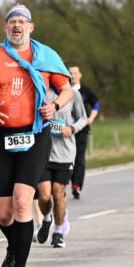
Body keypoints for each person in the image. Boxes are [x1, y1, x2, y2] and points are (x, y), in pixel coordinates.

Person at [0, 4, 73, 267]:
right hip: (1, 136)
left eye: (22, 22)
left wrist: (55, 105)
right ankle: (13, 250)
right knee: (4, 214)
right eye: (12, 21)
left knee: (23, 202)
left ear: (31, 28)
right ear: (5, 28)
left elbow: (67, 89)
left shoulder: (46, 57)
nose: (17, 26)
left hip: (34, 136)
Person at [36, 80, 87, 248]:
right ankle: (47, 218)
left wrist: (71, 129)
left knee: (58, 193)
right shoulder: (43, 92)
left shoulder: (73, 94)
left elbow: (83, 118)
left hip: (65, 153)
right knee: (44, 196)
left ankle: (58, 233)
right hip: (43, 153)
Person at [67, 66, 99, 200]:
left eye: (75, 73)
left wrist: (90, 119)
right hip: (66, 129)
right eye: (70, 73)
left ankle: (77, 185)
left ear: (80, 75)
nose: (73, 75)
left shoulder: (85, 91)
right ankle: (63, 183)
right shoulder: (64, 90)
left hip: (81, 129)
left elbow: (96, 104)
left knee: (79, 157)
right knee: (68, 157)